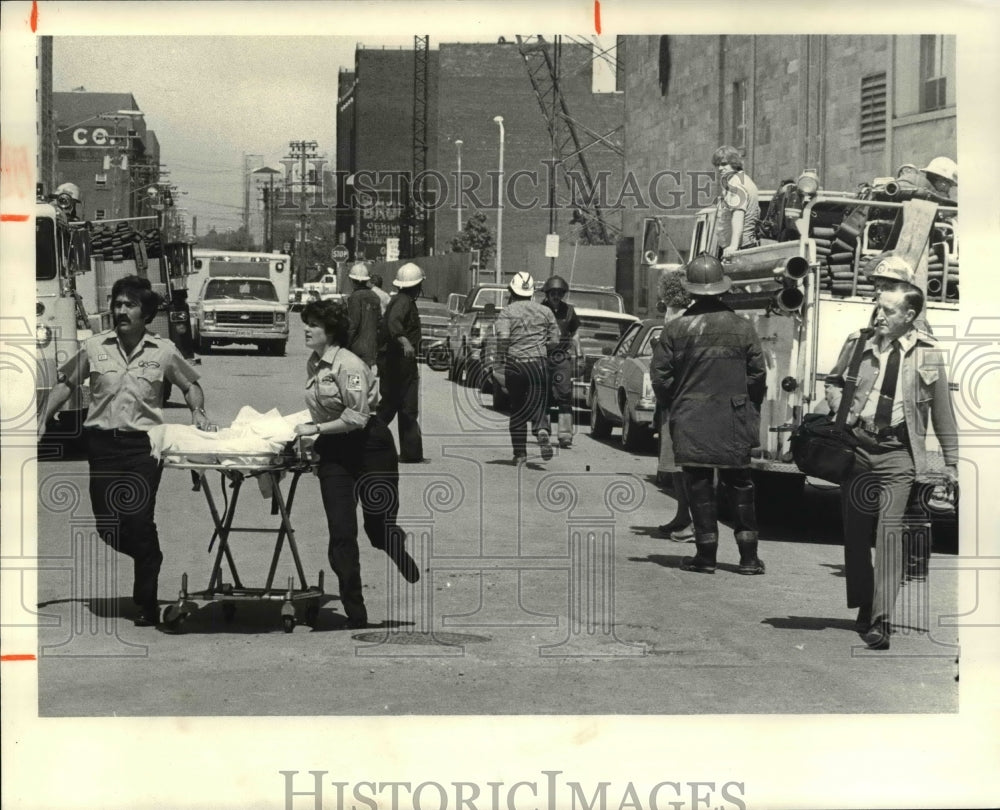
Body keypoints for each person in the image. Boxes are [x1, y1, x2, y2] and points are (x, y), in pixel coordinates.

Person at [38, 275, 207, 627]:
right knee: (107, 526)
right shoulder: (96, 346)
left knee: (138, 518)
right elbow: (67, 383)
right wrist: (44, 417)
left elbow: (190, 385)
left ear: (146, 313)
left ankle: (146, 600)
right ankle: (150, 556)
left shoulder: (163, 351)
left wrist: (198, 411)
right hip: (101, 444)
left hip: (144, 445)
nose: (120, 311)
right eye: (117, 304)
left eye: (129, 305)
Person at [824, 284, 958, 650]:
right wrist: (842, 407)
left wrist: (952, 461)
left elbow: (943, 409)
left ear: (910, 316)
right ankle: (867, 602)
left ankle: (881, 620)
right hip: (858, 449)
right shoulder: (858, 342)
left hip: (898, 453)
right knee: (855, 536)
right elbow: (834, 381)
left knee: (890, 535)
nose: (879, 315)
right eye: (879, 307)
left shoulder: (928, 354)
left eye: (889, 311)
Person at [293, 299, 420, 629]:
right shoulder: (314, 363)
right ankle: (355, 609)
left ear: (331, 331)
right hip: (334, 449)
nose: (306, 329)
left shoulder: (348, 365)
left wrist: (316, 429)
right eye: (306, 323)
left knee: (376, 527)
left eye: (314, 325)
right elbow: (322, 413)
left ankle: (392, 543)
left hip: (370, 444)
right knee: (341, 532)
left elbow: (357, 416)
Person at [650, 255, 767, 575]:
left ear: (690, 291)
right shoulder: (743, 328)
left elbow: (660, 377)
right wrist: (747, 405)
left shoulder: (675, 330)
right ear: (721, 289)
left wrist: (674, 403)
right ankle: (748, 558)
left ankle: (706, 556)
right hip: (733, 418)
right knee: (740, 486)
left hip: (691, 418)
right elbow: (758, 375)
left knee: (698, 486)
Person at [495, 271, 559, 465]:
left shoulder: (507, 312)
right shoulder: (545, 311)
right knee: (538, 401)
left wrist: (501, 356)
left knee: (517, 408)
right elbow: (555, 340)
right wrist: (541, 348)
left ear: (511, 292)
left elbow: (504, 338)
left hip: (515, 364)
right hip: (538, 364)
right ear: (532, 292)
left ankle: (520, 454)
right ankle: (541, 429)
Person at [654, 269, 694, 542]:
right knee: (677, 466)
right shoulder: (678, 313)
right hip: (676, 398)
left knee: (684, 465)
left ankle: (689, 521)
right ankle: (682, 516)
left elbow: (665, 363)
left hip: (678, 399)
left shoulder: (681, 320)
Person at [376, 262, 425, 463]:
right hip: (397, 364)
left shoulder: (403, 300)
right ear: (416, 286)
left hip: (403, 364)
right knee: (390, 406)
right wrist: (405, 341)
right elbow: (393, 322)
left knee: (407, 408)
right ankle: (365, 441)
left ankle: (411, 454)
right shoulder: (402, 302)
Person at [539, 274, 580, 448]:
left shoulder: (569, 311)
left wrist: (579, 353)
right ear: (547, 294)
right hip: (542, 356)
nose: (556, 296)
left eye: (559, 293)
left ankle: (565, 434)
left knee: (564, 393)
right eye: (553, 293)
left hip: (561, 357)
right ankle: (544, 430)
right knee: (544, 394)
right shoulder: (539, 309)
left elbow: (576, 334)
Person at [711, 145, 759, 259]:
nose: (720, 168)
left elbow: (738, 215)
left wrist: (733, 246)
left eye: (724, 164)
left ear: (734, 163)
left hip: (739, 250)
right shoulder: (744, 179)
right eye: (717, 165)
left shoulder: (735, 183)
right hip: (745, 246)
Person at [345, 261, 381, 368]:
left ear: (352, 281)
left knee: (355, 382)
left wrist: (344, 345)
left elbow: (353, 325)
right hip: (370, 349)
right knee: (366, 380)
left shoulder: (355, 297)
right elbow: (379, 322)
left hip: (356, 350)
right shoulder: (374, 296)